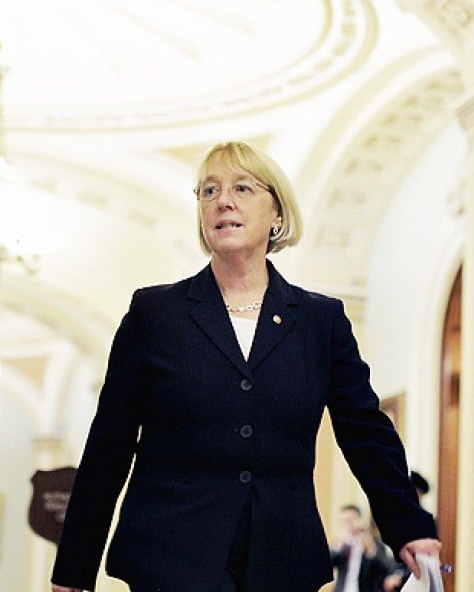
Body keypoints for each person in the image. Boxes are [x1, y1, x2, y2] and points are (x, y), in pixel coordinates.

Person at [50, 141, 440, 592]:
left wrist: (408, 524)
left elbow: (365, 432)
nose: (223, 201)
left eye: (242, 188)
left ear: (277, 213)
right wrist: (75, 567)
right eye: (208, 191)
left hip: (281, 556)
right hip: (170, 554)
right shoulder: (155, 314)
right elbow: (109, 446)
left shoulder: (320, 321)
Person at [331, 505, 403, 592]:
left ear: (360, 520)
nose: (349, 524)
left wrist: (371, 550)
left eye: (352, 519)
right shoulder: (341, 545)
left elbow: (385, 568)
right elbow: (329, 563)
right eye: (345, 521)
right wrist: (339, 547)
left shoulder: (374, 543)